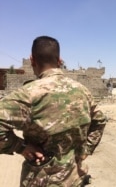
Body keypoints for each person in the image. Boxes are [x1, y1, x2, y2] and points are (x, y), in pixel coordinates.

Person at [0, 36, 107, 186]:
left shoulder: (28, 94)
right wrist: (85, 151)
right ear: (59, 60)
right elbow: (100, 121)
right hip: (75, 178)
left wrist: (20, 146)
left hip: (41, 180)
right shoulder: (83, 91)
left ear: (32, 60)